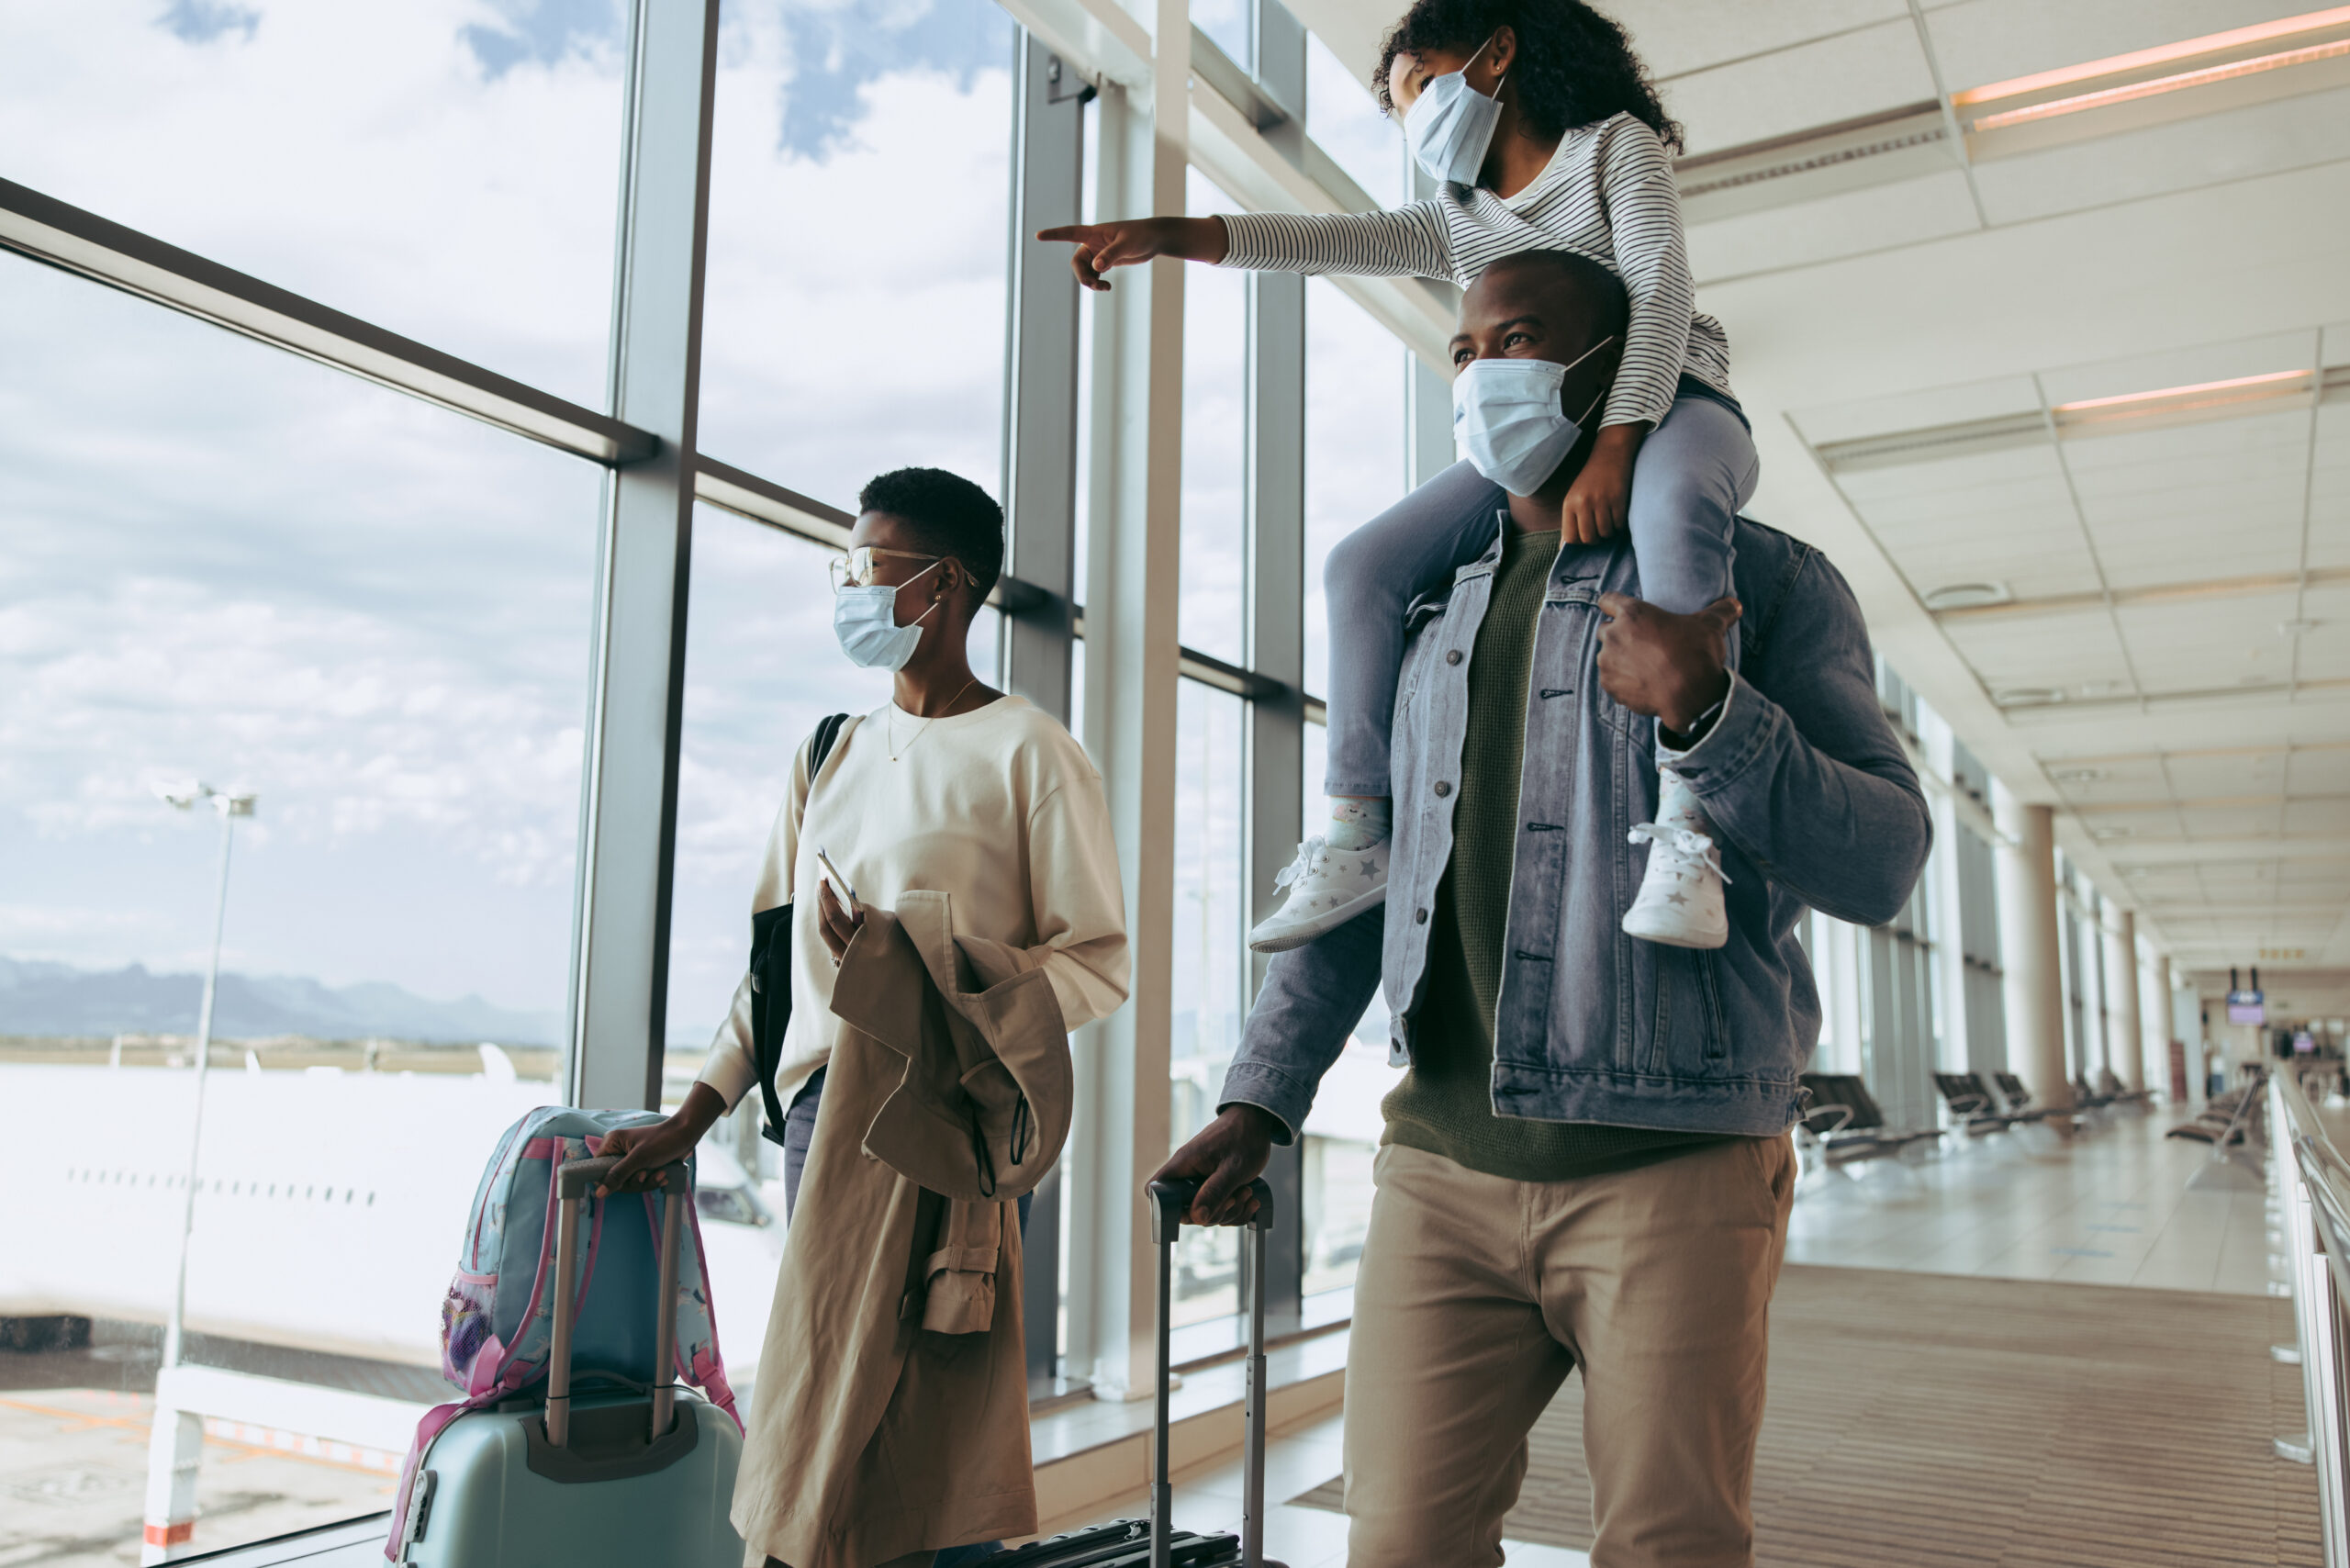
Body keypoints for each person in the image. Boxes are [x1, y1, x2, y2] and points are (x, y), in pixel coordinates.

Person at [1151, 251, 1932, 1568]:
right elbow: (1369, 880)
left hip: (1673, 1168)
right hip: (1441, 1174)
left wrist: (1709, 708)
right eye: (1464, 352)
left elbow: (1888, 860)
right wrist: (1260, 1096)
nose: (1483, 373)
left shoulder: (1770, 588)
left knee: (1667, 1546)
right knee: (1395, 1545)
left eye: (1518, 341)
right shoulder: (1423, 610)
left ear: (1614, 370)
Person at [1040, 0, 1754, 954]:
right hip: (1543, 445)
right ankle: (1357, 829)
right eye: (1399, 105)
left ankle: (1686, 829)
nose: (1413, 113)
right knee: (1362, 566)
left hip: (1670, 404)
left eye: (1420, 84)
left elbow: (1661, 289)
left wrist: (1622, 446)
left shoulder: (1609, 148)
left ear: (1497, 55)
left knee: (1671, 515)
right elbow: (1323, 242)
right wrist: (1168, 233)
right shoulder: (1459, 219)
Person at [601, 467, 1129, 1568]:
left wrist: (925, 965)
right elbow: (772, 972)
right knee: (820, 1415)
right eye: (842, 565)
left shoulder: (1031, 753)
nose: (847, 587)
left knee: (928, 1440)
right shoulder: (825, 753)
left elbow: (1095, 963)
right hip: (819, 1124)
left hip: (950, 1129)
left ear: (943, 585)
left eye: (868, 567)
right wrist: (690, 1122)